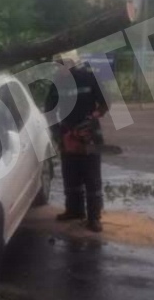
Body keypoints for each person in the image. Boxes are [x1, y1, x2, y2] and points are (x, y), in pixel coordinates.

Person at [45, 57, 109, 232]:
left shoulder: (89, 77)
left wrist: (94, 116)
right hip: (68, 134)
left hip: (90, 134)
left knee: (92, 177)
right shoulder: (57, 83)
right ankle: (74, 210)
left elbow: (105, 103)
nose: (59, 71)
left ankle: (94, 217)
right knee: (71, 175)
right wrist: (59, 134)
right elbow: (50, 110)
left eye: (61, 66)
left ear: (72, 64)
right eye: (57, 68)